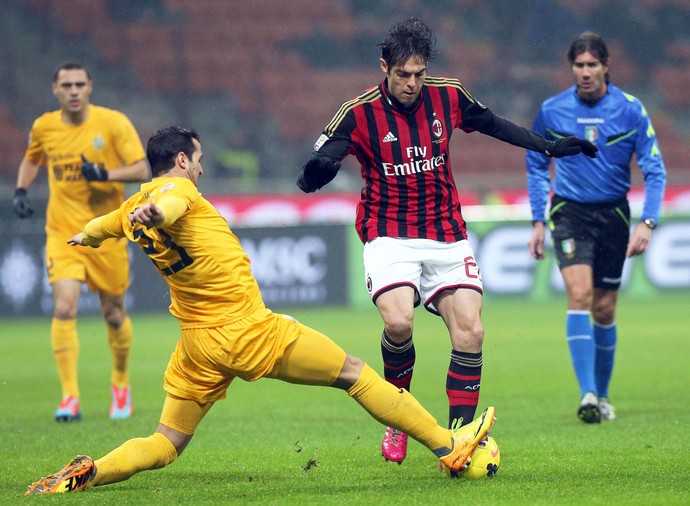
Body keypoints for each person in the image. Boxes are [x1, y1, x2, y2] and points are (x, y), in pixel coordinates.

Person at [25, 126, 496, 495]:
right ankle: (448, 444)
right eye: (200, 161)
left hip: (196, 344)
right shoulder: (178, 193)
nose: (201, 172)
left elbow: (97, 228)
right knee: (355, 373)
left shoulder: (132, 206)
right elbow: (171, 202)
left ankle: (89, 472)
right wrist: (160, 213)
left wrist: (87, 235)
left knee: (165, 443)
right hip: (247, 331)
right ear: (182, 160)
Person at [296, 17, 596, 464]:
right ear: (384, 68)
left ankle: (459, 441)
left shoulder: (449, 94)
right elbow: (317, 167)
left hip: (445, 232)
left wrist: (548, 147)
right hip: (389, 232)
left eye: (419, 73)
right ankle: (399, 416)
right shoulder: (357, 112)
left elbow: (494, 124)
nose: (413, 83)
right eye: (403, 75)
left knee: (472, 332)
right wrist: (317, 173)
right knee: (399, 323)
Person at [526, 32, 666, 423]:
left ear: (606, 67)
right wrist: (538, 221)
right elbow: (537, 164)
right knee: (581, 293)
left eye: (592, 65)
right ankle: (587, 394)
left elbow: (654, 170)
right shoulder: (552, 111)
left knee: (604, 308)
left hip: (614, 216)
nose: (585, 72)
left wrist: (648, 222)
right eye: (578, 65)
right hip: (569, 212)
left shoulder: (631, 110)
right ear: (571, 67)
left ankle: (602, 395)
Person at [12, 62, 149, 422]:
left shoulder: (113, 123)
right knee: (64, 309)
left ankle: (120, 384)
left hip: (106, 233)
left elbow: (141, 169)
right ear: (55, 89)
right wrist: (21, 190)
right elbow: (31, 159)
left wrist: (105, 174)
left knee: (113, 312)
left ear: (90, 87)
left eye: (79, 84)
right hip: (62, 234)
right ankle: (69, 396)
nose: (73, 91)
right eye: (66, 85)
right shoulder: (44, 126)